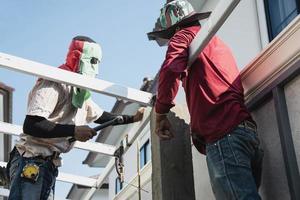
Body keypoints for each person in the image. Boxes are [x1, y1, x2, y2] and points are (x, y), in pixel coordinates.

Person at [148, 1, 263, 199]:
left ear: (175, 27)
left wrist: (161, 113)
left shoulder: (183, 35)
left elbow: (169, 70)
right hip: (246, 133)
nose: (170, 42)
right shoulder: (216, 44)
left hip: (224, 135)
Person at [6, 36, 144, 200]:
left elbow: (102, 117)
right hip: (30, 160)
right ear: (76, 57)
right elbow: (31, 124)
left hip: (47, 165)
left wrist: (134, 118)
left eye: (98, 62)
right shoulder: (54, 82)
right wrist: (74, 131)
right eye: (92, 61)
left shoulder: (80, 95)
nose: (96, 69)